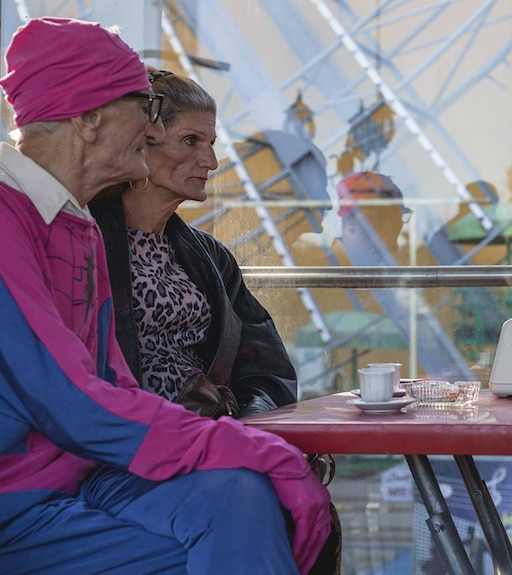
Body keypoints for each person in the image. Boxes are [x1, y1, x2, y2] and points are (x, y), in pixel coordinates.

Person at [0, 17, 329, 575]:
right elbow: (69, 398)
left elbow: (113, 381)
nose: (148, 128)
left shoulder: (77, 225)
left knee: (242, 499)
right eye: (145, 108)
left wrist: (235, 446)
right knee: (236, 539)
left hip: (90, 471)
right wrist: (247, 446)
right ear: (88, 119)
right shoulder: (13, 221)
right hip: (21, 499)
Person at [90, 68, 297, 418]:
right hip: (127, 435)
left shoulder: (211, 257)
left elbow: (265, 369)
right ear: (141, 142)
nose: (211, 162)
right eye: (191, 141)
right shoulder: (81, 238)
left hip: (210, 429)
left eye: (211, 144)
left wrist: (252, 421)